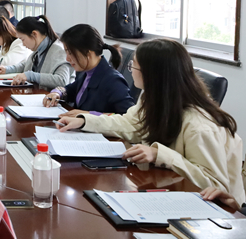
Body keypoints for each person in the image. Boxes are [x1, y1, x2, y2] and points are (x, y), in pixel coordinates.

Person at [57, 39, 245, 204]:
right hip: (172, 191)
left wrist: (159, 154)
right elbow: (130, 124)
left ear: (151, 74)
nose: (131, 71)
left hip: (213, 211)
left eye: (134, 66)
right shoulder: (153, 96)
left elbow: (215, 185)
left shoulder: (200, 126)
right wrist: (84, 121)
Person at [43, 24, 134, 115]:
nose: (67, 59)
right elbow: (71, 89)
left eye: (70, 53)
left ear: (88, 54)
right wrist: (57, 93)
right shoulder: (88, 73)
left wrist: (88, 115)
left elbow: (127, 117)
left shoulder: (113, 81)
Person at [0, 15, 74, 89]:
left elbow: (62, 80)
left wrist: (30, 76)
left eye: (23, 39)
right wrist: (7, 69)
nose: (23, 44)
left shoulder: (59, 50)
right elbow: (27, 64)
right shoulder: (39, 49)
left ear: (34, 34)